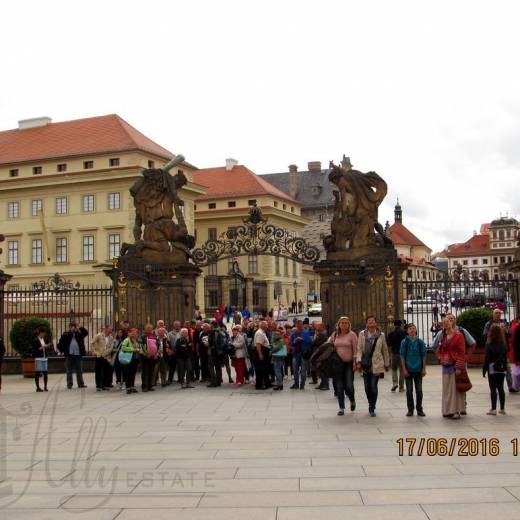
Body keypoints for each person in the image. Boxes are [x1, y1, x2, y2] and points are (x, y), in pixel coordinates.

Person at [356, 316, 390, 417]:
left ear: (376, 323)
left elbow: (385, 350)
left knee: (373, 387)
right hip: (366, 364)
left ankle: (372, 407)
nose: (371, 322)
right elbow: (359, 349)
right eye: (369, 321)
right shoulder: (362, 334)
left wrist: (387, 363)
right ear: (366, 323)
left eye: (372, 321)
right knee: (367, 388)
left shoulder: (381, 335)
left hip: (377, 363)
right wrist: (358, 361)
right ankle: (370, 402)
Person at [437, 316, 466, 419]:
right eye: (444, 322)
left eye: (448, 322)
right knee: (446, 389)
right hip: (446, 365)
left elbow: (462, 352)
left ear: (451, 323)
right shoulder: (443, 336)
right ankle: (447, 410)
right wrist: (441, 357)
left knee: (455, 389)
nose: (446, 324)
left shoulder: (459, 336)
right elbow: (439, 349)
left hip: (455, 365)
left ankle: (455, 410)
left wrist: (459, 366)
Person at [329, 317, 358, 416]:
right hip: (337, 364)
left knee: (349, 385)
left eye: (346, 323)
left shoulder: (352, 335)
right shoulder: (335, 334)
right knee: (339, 386)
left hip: (349, 363)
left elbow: (355, 349)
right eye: (342, 323)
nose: (344, 324)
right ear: (339, 324)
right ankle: (341, 407)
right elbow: (329, 344)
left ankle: (352, 400)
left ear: (349, 324)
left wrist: (355, 362)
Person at [483, 309, 516, 393]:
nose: (498, 314)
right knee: (493, 369)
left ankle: (510, 386)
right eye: (496, 313)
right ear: (493, 314)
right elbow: (485, 335)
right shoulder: (489, 324)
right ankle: (494, 386)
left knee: (507, 368)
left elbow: (509, 334)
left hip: (503, 349)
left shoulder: (504, 323)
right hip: (492, 350)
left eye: (499, 313)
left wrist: (506, 331)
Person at [400, 323, 427, 417]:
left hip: (418, 369)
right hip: (408, 369)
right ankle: (410, 409)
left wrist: (424, 368)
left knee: (419, 390)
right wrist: (404, 369)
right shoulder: (404, 342)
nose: (412, 330)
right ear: (407, 331)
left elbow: (424, 355)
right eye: (410, 329)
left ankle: (419, 409)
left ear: (416, 330)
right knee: (409, 391)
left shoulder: (420, 342)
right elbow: (402, 356)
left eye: (413, 328)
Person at [483, 324, 508, 415]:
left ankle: (493, 409)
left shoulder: (489, 344)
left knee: (493, 388)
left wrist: (484, 370)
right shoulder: (503, 344)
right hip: (501, 367)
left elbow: (487, 358)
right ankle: (502, 408)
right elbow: (505, 357)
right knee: (501, 387)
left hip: (492, 367)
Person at [57, 321, 88, 389]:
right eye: (72, 327)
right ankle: (69, 384)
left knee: (79, 370)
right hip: (69, 355)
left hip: (78, 354)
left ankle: (80, 383)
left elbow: (86, 332)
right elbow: (60, 342)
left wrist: (79, 327)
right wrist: (62, 351)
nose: (73, 328)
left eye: (74, 327)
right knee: (69, 370)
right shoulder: (66, 334)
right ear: (70, 327)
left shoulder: (79, 334)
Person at [90, 324, 115, 391]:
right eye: (110, 329)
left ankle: (105, 385)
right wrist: (95, 352)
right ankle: (98, 386)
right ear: (106, 329)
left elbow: (111, 347)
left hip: (107, 356)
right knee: (98, 371)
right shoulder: (99, 335)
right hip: (99, 356)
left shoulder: (111, 337)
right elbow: (92, 343)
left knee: (107, 371)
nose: (111, 330)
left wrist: (106, 353)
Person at [290, 320, 312, 390]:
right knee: (295, 370)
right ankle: (296, 384)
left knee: (303, 370)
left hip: (303, 353)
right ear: (296, 325)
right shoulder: (293, 333)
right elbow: (291, 343)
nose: (299, 325)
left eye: (300, 324)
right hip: (295, 353)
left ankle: (302, 384)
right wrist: (295, 341)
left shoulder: (306, 333)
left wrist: (302, 339)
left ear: (302, 325)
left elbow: (310, 342)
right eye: (298, 324)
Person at [387, 320, 406, 392]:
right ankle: (401, 387)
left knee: (394, 369)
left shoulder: (391, 333)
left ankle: (395, 383)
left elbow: (388, 344)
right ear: (401, 324)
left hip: (394, 353)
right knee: (402, 370)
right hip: (402, 354)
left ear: (394, 325)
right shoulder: (404, 332)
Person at [120, 327, 141, 394]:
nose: (135, 334)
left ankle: (132, 387)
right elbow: (123, 348)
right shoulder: (127, 340)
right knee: (128, 374)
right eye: (133, 332)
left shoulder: (136, 340)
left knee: (133, 374)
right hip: (128, 359)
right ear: (130, 333)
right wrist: (133, 349)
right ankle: (128, 387)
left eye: (136, 333)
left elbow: (138, 347)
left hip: (135, 359)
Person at [253, 321, 272, 390]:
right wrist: (260, 354)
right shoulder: (260, 333)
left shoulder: (262, 332)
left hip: (265, 352)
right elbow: (258, 344)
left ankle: (267, 383)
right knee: (260, 370)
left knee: (265, 369)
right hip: (261, 353)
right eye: (267, 325)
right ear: (263, 326)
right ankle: (259, 385)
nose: (268, 326)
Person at [139, 324, 157, 392]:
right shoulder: (142, 337)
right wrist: (146, 353)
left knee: (151, 372)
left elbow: (158, 345)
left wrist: (157, 354)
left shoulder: (154, 336)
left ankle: (150, 386)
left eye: (150, 328)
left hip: (153, 357)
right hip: (145, 357)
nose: (149, 330)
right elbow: (141, 346)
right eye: (148, 328)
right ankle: (144, 386)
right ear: (145, 329)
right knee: (145, 372)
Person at [312, 323, 330, 390]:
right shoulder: (319, 333)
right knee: (320, 369)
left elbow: (316, 343)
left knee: (323, 369)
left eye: (318, 326)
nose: (316, 327)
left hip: (322, 354)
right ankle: (322, 384)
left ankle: (326, 385)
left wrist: (313, 341)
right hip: (319, 353)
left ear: (322, 327)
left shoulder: (322, 334)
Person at [33, 328, 51, 392]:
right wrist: (42, 347)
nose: (44, 335)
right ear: (41, 333)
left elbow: (45, 347)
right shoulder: (35, 340)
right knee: (37, 373)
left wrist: (47, 346)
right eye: (44, 333)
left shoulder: (44, 339)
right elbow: (35, 350)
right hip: (38, 358)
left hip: (44, 357)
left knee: (45, 373)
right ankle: (37, 387)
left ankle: (45, 386)